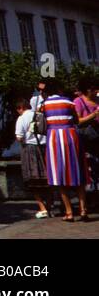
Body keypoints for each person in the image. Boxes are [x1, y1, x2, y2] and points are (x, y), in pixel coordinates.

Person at [41, 83, 90, 222]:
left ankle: (69, 212)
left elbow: (42, 122)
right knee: (78, 172)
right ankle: (83, 210)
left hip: (54, 138)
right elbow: (76, 120)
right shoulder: (69, 102)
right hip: (71, 136)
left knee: (59, 175)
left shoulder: (44, 105)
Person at [15, 98, 51, 218]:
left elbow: (19, 137)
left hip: (30, 149)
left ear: (20, 108)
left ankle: (42, 207)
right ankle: (50, 204)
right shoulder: (40, 115)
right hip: (44, 148)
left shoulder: (21, 118)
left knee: (33, 180)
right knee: (47, 178)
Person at [74, 82, 99, 190]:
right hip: (87, 139)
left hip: (97, 137)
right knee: (89, 166)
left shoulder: (97, 100)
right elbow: (77, 121)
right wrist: (94, 115)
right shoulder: (78, 101)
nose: (97, 92)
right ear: (88, 90)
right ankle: (91, 196)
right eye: (94, 89)